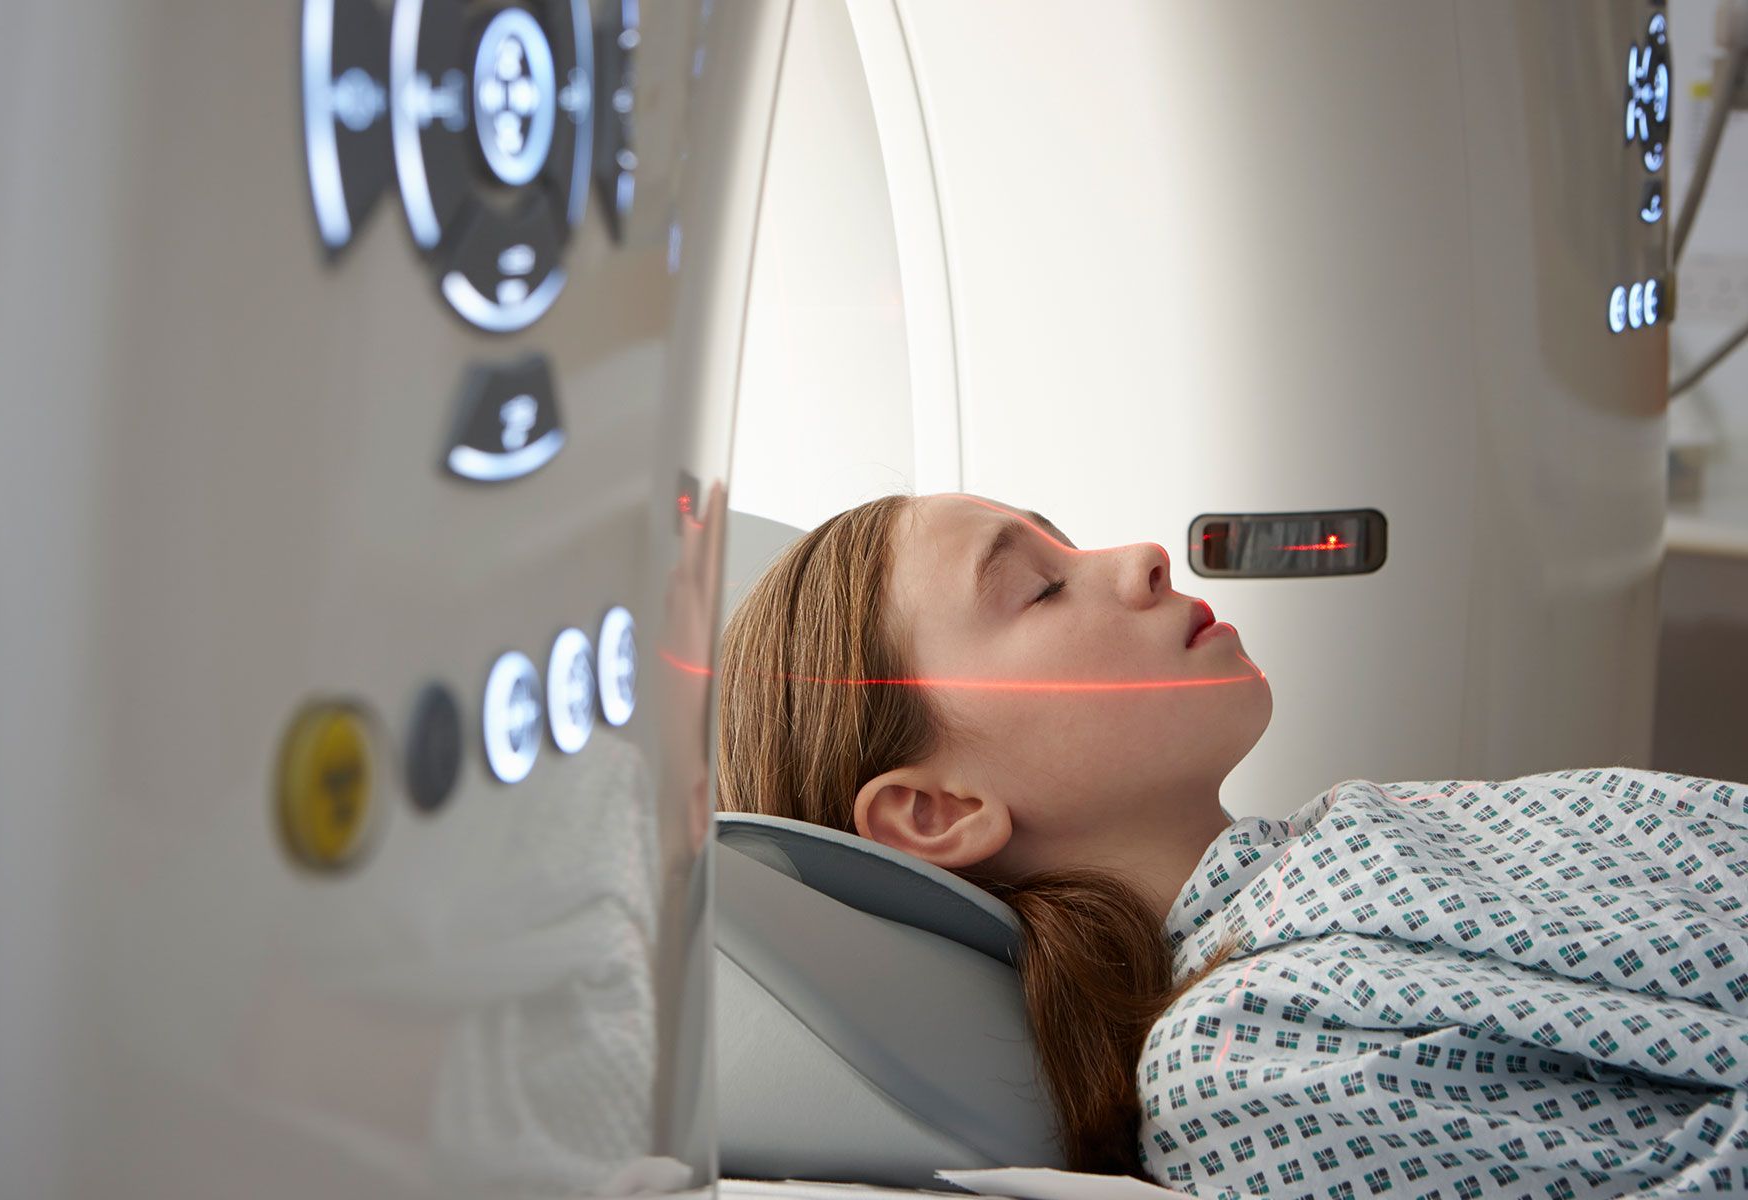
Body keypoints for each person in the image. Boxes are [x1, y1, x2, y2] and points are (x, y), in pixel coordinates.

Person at [713, 492, 1748, 1195]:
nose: (1142, 557)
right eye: (1039, 586)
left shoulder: (1354, 832)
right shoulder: (1240, 1066)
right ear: (937, 811)